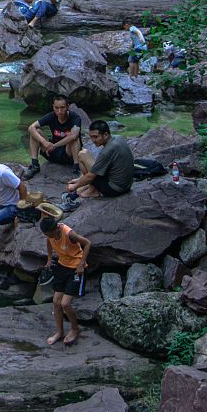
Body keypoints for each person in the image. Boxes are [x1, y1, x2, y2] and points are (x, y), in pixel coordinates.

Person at [40, 216, 91, 345]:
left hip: (75, 268)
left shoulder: (69, 234)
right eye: (47, 235)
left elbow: (87, 243)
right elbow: (49, 241)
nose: (49, 236)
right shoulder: (50, 235)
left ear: (56, 228)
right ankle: (59, 332)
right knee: (56, 302)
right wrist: (50, 259)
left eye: (50, 234)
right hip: (62, 266)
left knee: (65, 304)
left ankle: (75, 329)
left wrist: (81, 264)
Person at [68, 119, 134, 200]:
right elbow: (101, 166)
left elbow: (90, 177)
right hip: (127, 185)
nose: (93, 140)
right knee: (84, 153)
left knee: (82, 155)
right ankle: (91, 187)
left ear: (105, 135)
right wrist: (80, 180)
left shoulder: (107, 151)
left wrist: (75, 186)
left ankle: (93, 190)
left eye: (95, 137)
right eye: (91, 137)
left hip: (115, 189)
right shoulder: (118, 138)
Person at [25, 95, 82, 177]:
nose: (59, 111)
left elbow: (74, 136)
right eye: (56, 108)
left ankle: (76, 168)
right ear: (53, 107)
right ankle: (34, 165)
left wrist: (54, 145)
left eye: (62, 107)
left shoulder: (75, 118)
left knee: (74, 139)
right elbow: (31, 127)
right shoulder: (51, 116)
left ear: (68, 106)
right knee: (36, 131)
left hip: (68, 153)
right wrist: (44, 142)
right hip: (52, 152)